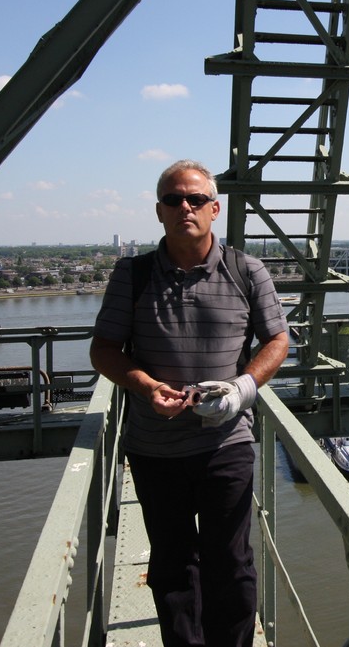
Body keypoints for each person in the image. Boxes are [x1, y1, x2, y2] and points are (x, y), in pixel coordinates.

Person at [90, 159, 289, 647]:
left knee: (232, 563)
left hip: (226, 444)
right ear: (159, 210)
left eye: (196, 199)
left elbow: (277, 340)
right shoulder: (132, 275)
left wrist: (241, 390)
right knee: (173, 567)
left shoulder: (246, 271)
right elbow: (104, 349)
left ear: (214, 209)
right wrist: (146, 387)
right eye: (173, 199)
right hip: (155, 448)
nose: (185, 207)